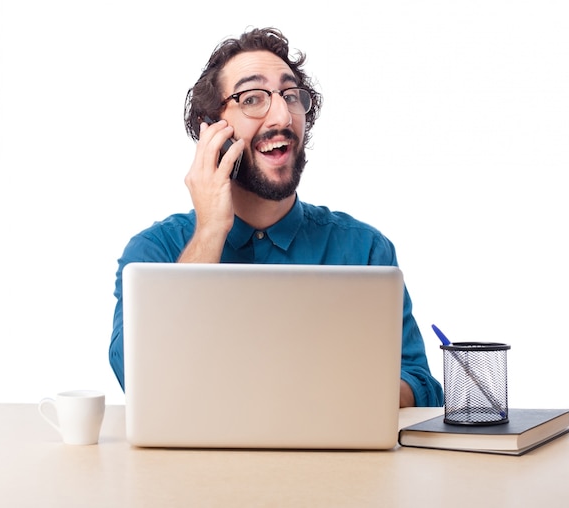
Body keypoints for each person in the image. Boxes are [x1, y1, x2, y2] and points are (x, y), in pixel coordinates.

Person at [108, 27, 443, 408]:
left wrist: (331, 389)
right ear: (211, 129)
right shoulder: (155, 251)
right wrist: (211, 230)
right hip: (199, 467)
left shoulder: (365, 250)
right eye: (252, 98)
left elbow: (421, 385)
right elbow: (140, 380)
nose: (282, 115)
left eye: (291, 96)